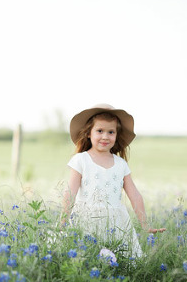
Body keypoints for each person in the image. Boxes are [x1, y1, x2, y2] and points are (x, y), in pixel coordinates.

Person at [61, 105, 146, 260]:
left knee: (121, 262)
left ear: (116, 135)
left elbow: (135, 195)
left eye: (111, 132)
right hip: (86, 220)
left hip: (117, 223)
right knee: (86, 259)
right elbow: (70, 192)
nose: (105, 136)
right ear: (88, 133)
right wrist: (63, 221)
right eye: (100, 131)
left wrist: (145, 225)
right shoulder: (81, 160)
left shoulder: (121, 164)